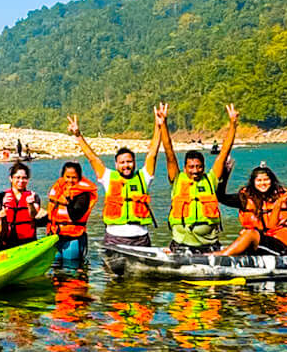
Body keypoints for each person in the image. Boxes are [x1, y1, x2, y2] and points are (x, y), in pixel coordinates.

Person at [69, 107, 163, 245]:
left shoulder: (144, 177)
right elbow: (93, 158)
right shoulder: (108, 177)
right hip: (114, 238)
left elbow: (152, 154)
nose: (126, 165)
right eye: (122, 162)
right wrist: (78, 135)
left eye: (129, 162)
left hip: (140, 238)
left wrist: (158, 126)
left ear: (134, 162)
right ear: (116, 164)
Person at [158, 105, 240, 248]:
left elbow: (224, 151)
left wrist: (233, 124)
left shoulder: (210, 180)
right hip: (181, 243)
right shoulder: (178, 179)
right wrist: (163, 124)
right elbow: (169, 151)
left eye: (199, 167)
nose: (195, 170)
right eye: (191, 167)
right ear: (185, 168)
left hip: (209, 244)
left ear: (203, 167)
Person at [45, 161, 98, 269]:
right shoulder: (59, 190)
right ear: (62, 176)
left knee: (71, 272)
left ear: (79, 177)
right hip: (55, 237)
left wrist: (68, 200)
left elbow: (75, 216)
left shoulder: (83, 194)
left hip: (73, 239)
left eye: (74, 177)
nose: (70, 180)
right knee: (56, 271)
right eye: (67, 177)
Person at [0, 161, 42, 247]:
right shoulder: (1, 196)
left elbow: (33, 215)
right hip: (7, 241)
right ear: (11, 178)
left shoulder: (33, 196)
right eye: (17, 177)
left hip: (28, 241)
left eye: (24, 178)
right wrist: (2, 204)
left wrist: (30, 204)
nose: (21, 181)